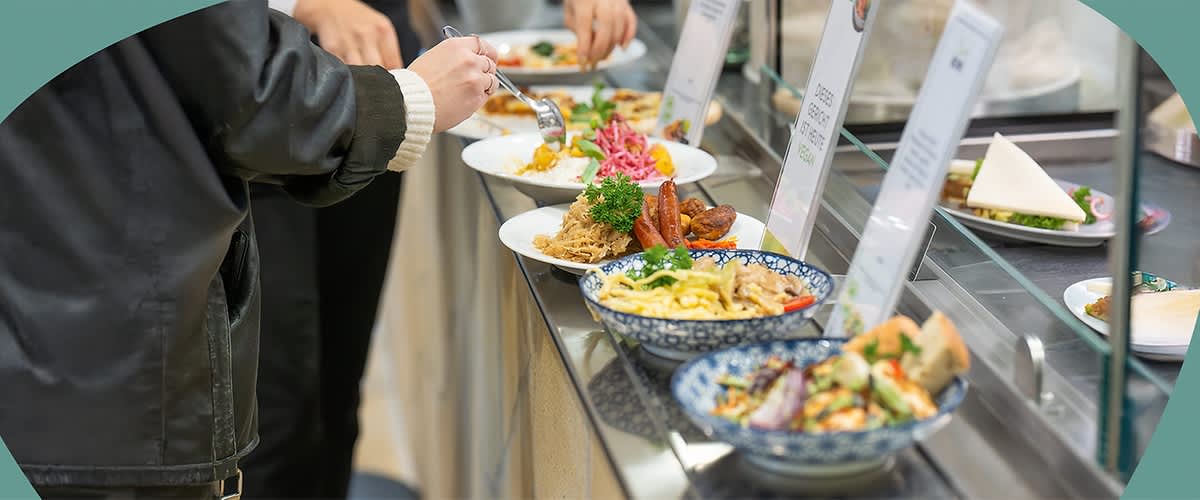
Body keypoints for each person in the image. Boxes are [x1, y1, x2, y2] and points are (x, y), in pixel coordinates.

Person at [0, 1, 498, 498]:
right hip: (115, 348)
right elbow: (251, 91)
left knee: (325, 403)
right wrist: (412, 98)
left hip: (58, 316)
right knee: (283, 427)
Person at [239, 0, 639, 498]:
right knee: (272, 411)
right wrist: (302, 3)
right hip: (253, 98)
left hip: (371, 78)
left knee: (338, 384)